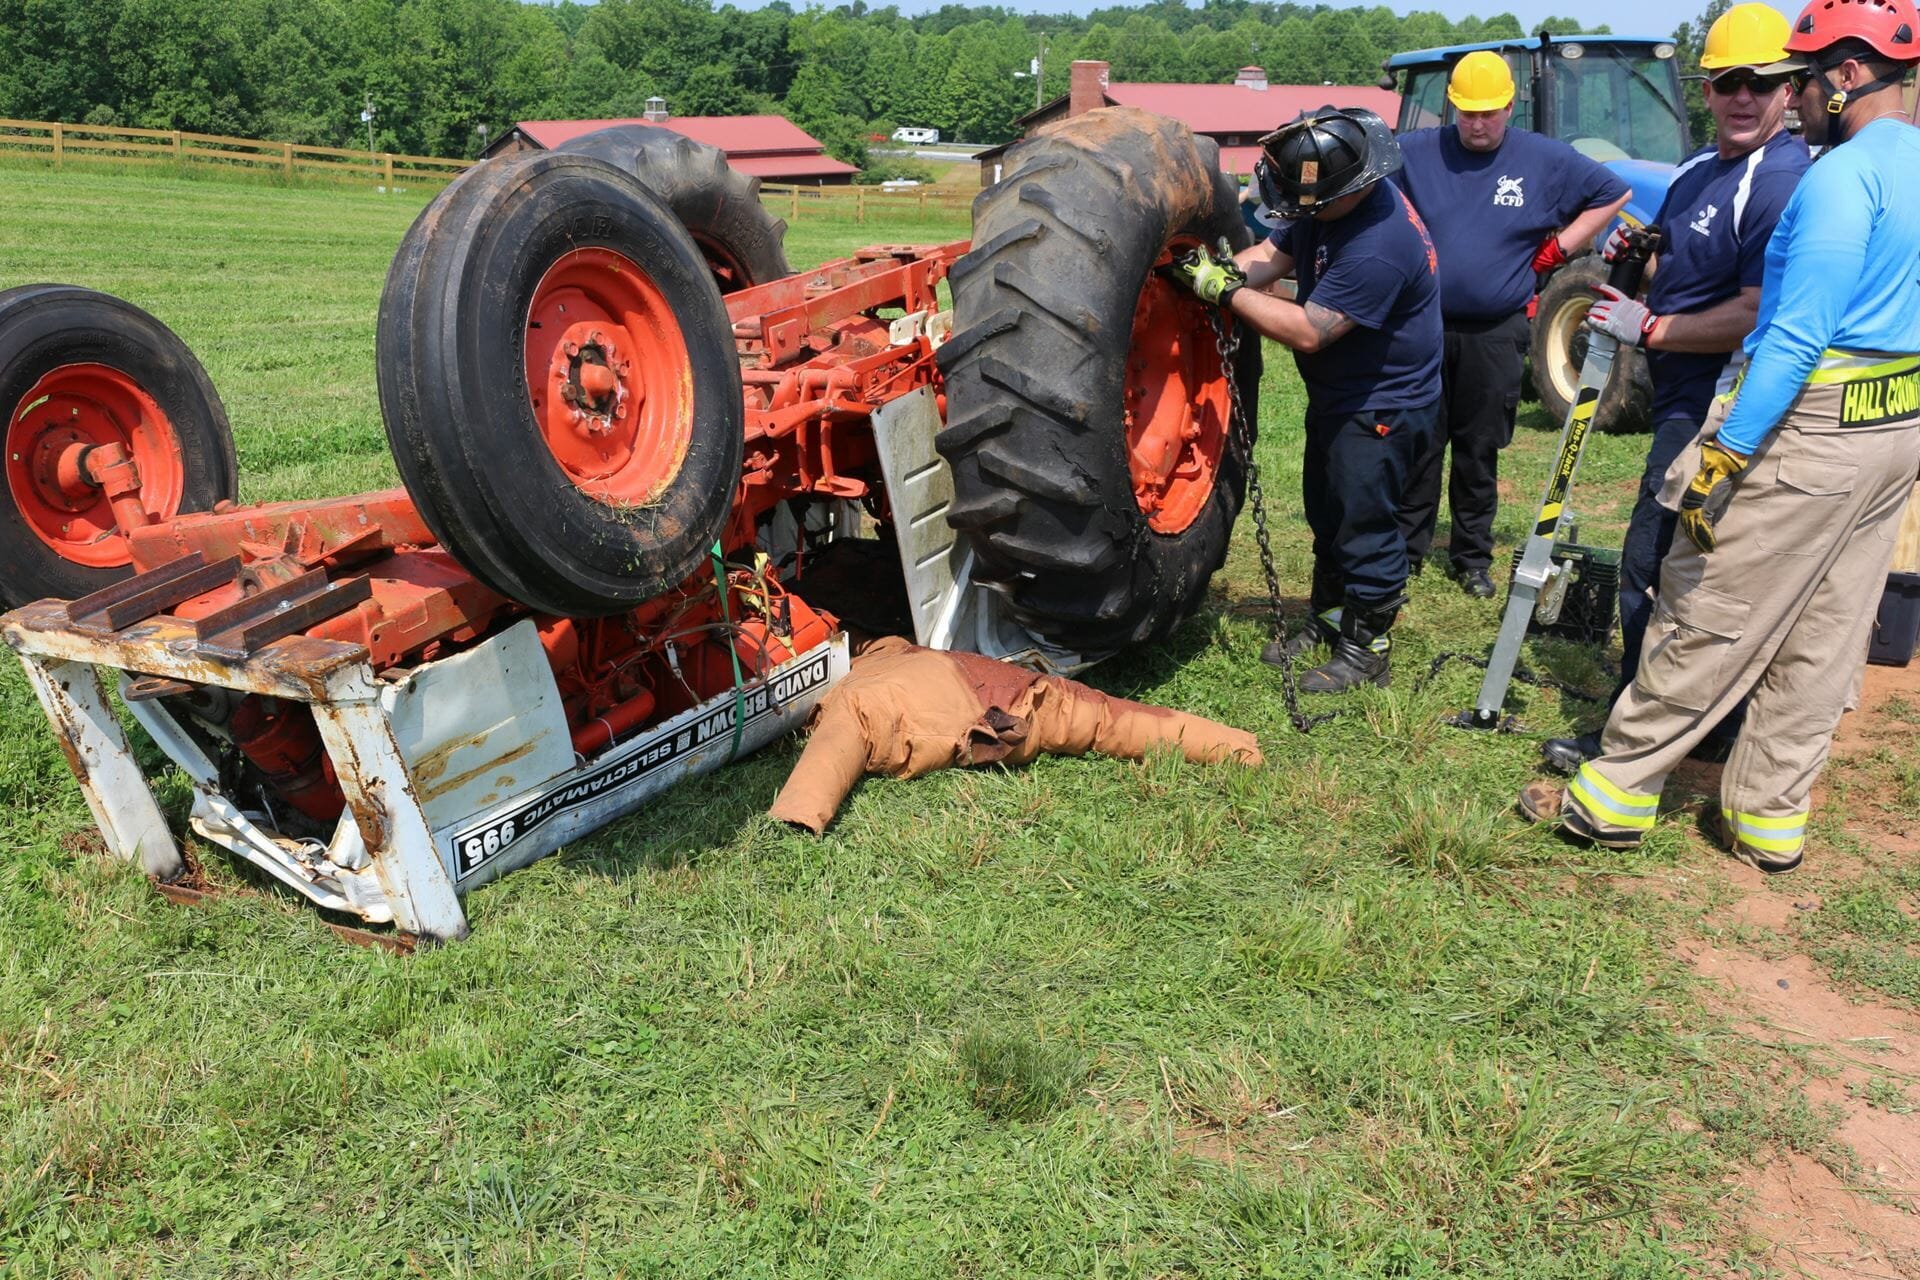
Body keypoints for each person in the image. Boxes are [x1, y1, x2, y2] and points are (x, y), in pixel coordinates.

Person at [1518, 0, 1920, 875]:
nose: (1794, 98)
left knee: (1710, 603)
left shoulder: (1839, 178)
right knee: (1828, 628)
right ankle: (1769, 816)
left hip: (1806, 429)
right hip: (1894, 424)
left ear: (1844, 75)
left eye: (1799, 78)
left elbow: (1794, 332)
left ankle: (1614, 791)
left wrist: (1727, 454)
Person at [1542, 4, 1812, 775]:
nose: (1742, 97)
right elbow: (1687, 273)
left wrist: (1652, 330)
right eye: (1727, 81)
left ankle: (1639, 733)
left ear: (1790, 91)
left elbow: (1760, 312)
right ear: (1706, 89)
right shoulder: (1700, 168)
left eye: (1762, 84)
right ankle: (1699, 720)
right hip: (1677, 392)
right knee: (1673, 570)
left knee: (1656, 565)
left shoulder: (1781, 182)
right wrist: (1645, 256)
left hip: (1721, 403)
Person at [1173, 107, 1442, 693]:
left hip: (1381, 407)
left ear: (1352, 188)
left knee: (1365, 524)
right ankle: (1328, 621)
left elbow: (1310, 331)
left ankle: (1368, 648)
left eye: (1309, 205)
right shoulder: (1325, 203)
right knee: (1329, 513)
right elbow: (1269, 260)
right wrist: (1206, 279)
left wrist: (1225, 295)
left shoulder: (1379, 243)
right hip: (1341, 397)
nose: (1302, 213)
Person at [1393, 50, 1632, 599]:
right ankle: (1407, 552)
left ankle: (1471, 557)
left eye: (1490, 113)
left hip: (1495, 329)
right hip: (1424, 326)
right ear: (1452, 106)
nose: (1478, 124)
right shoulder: (1417, 150)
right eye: (1468, 113)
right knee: (1420, 444)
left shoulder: (1544, 158)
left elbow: (1613, 192)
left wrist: (1560, 247)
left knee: (1478, 447)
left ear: (1509, 106)